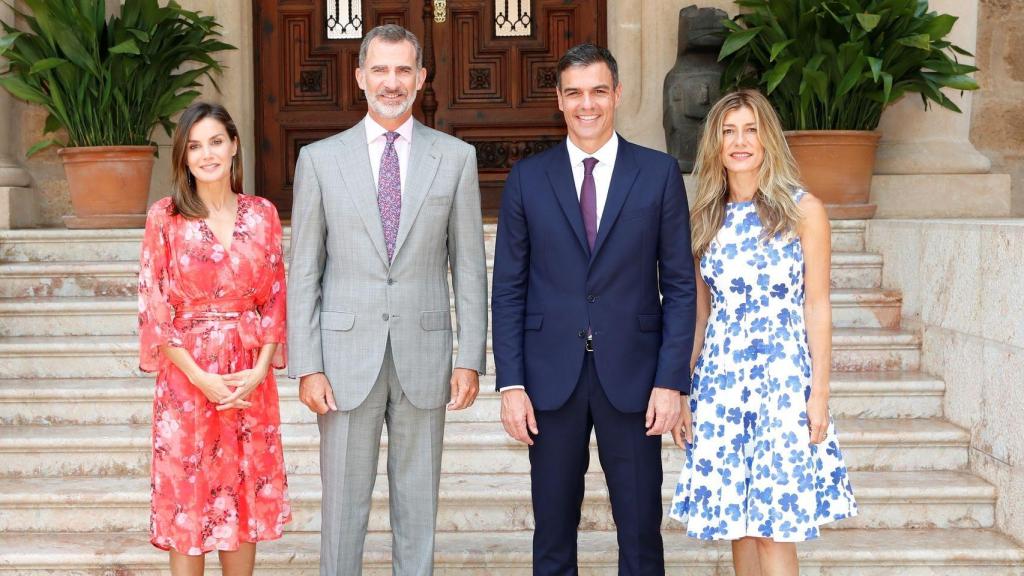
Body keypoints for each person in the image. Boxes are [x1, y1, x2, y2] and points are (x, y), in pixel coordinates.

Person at [286, 24, 488, 576]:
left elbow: (468, 266)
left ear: (422, 78)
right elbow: (304, 269)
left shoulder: (456, 158)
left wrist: (470, 356)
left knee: (418, 506)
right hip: (344, 359)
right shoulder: (321, 161)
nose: (392, 82)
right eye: (380, 69)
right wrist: (306, 364)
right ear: (359, 77)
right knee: (342, 510)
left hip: (426, 355)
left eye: (403, 70)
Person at [492, 43, 697, 575]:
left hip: (635, 379)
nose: (588, 104)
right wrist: (511, 384)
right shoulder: (527, 179)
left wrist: (672, 381)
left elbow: (678, 286)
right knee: (553, 536)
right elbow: (509, 289)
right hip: (548, 380)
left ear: (618, 95)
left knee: (641, 535)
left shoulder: (657, 174)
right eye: (575, 93)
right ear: (559, 100)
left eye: (599, 91)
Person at [668, 90, 858, 575]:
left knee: (775, 526)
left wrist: (820, 392)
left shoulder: (803, 210)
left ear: (767, 138)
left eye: (750, 129)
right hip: (721, 383)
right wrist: (685, 391)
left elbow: (817, 304)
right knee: (739, 525)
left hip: (782, 381)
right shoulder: (704, 219)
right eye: (729, 131)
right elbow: (698, 316)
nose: (740, 141)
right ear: (715, 143)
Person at [138, 102, 290, 576]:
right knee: (189, 496)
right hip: (188, 380)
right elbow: (154, 309)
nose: (207, 154)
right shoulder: (164, 218)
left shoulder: (262, 214)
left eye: (216, 142)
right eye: (195, 146)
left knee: (244, 494)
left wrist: (262, 368)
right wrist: (200, 378)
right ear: (183, 157)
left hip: (249, 376)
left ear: (234, 146)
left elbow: (274, 297)